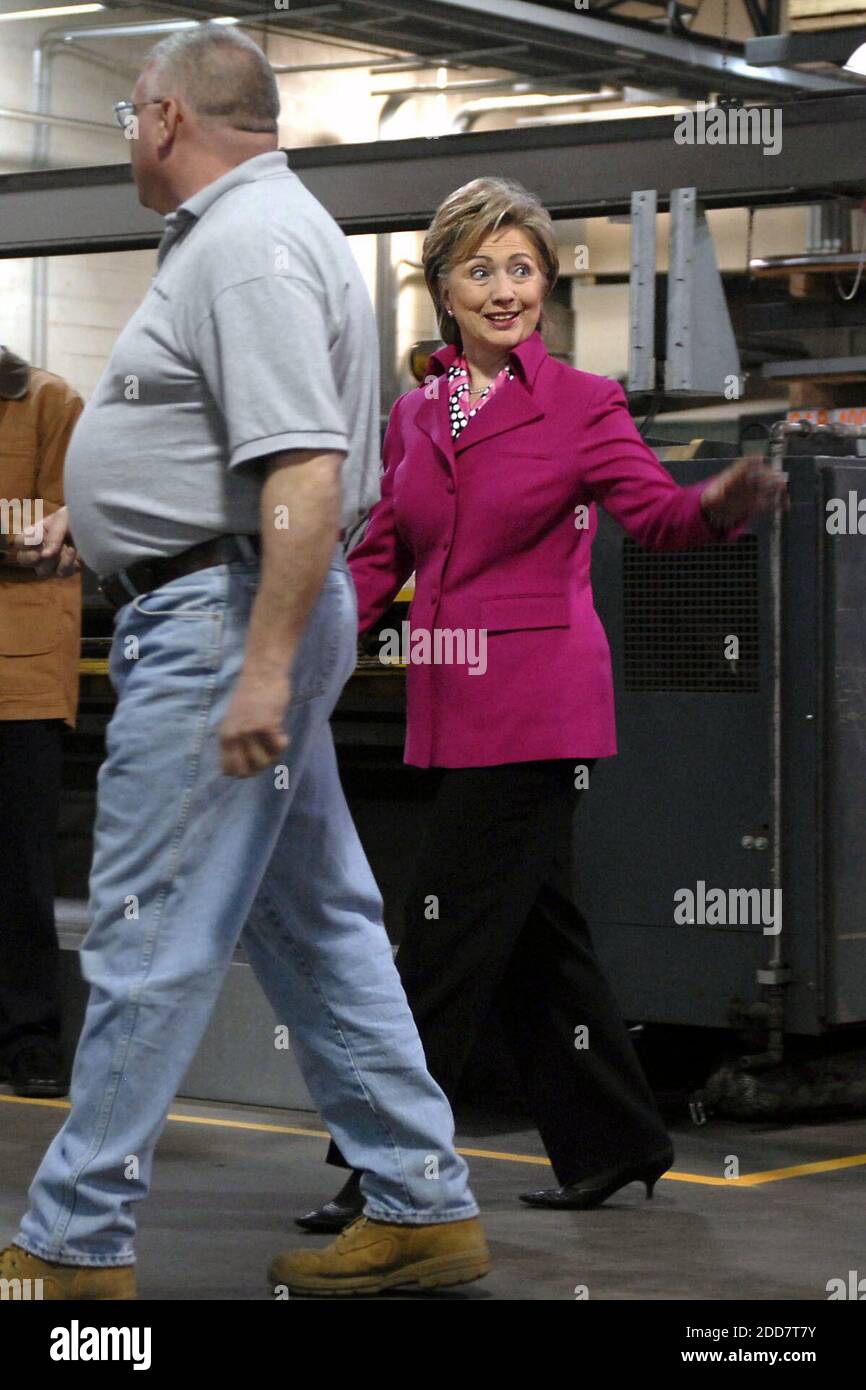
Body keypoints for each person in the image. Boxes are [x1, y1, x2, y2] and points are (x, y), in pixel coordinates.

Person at [0, 27, 490, 1301]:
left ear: (163, 116)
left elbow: (304, 472)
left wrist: (262, 666)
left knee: (147, 927)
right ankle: (422, 1200)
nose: (125, 142)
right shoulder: (252, 235)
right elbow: (233, 457)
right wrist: (99, 523)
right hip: (228, 599)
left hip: (226, 620)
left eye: (126, 122)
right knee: (318, 924)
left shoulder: (246, 244)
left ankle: (72, 1244)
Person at [298, 176, 788, 1231]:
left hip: (536, 713)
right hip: (451, 704)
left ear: (544, 284)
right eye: (480, 268)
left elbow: (653, 515)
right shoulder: (416, 412)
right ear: (442, 288)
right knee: (532, 943)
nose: (504, 287)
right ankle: (616, 1138)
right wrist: (303, 632)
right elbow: (383, 550)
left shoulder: (579, 403)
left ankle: (384, 1169)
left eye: (521, 266)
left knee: (437, 941)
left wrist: (714, 504)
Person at [0, 345, 82, 1099]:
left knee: (21, 870)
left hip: (21, 675)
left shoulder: (49, 401)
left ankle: (30, 1037)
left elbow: (55, 533)